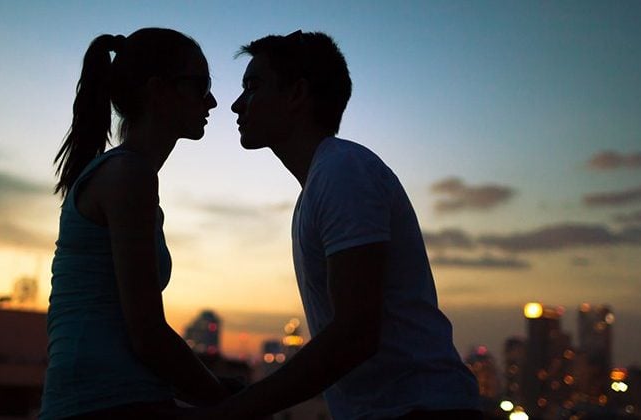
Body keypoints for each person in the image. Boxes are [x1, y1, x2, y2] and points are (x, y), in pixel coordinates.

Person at [192, 31, 482, 420]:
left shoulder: (342, 171)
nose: (236, 104)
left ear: (297, 95)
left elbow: (354, 335)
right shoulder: (321, 182)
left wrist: (233, 411)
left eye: (253, 86)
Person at [39, 28, 228, 419]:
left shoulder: (127, 174)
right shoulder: (128, 176)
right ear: (157, 90)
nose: (211, 100)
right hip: (104, 404)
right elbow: (148, 335)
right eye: (200, 85)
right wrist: (229, 400)